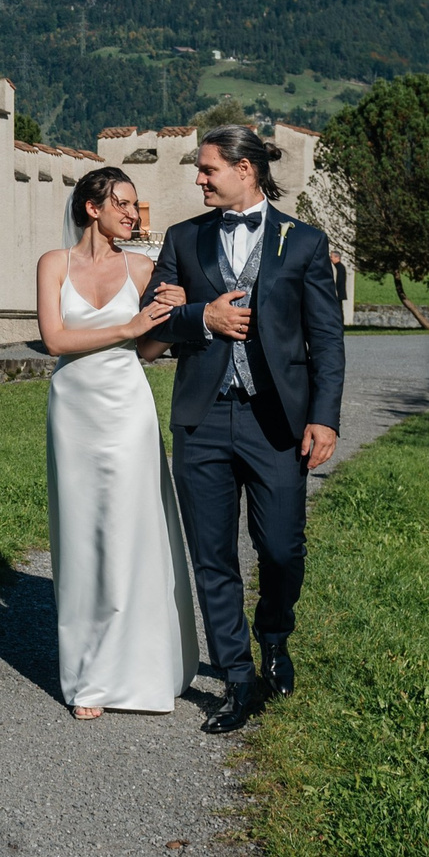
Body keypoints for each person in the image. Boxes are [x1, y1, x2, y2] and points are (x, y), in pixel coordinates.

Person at [145, 125, 346, 735]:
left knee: (282, 548)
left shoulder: (305, 243)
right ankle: (237, 679)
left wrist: (324, 416)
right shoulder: (184, 238)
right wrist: (198, 316)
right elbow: (154, 322)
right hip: (202, 419)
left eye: (208, 169)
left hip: (275, 421)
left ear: (246, 170)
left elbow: (326, 341)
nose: (198, 179)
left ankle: (275, 637)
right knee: (213, 557)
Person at [36, 166, 196, 719]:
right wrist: (128, 328)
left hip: (127, 408)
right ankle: (88, 679)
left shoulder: (144, 267)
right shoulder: (53, 264)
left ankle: (143, 670)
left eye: (135, 205)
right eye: (124, 204)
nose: (134, 214)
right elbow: (55, 338)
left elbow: (149, 352)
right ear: (92, 208)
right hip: (73, 411)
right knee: (82, 535)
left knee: (133, 530)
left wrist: (168, 317)